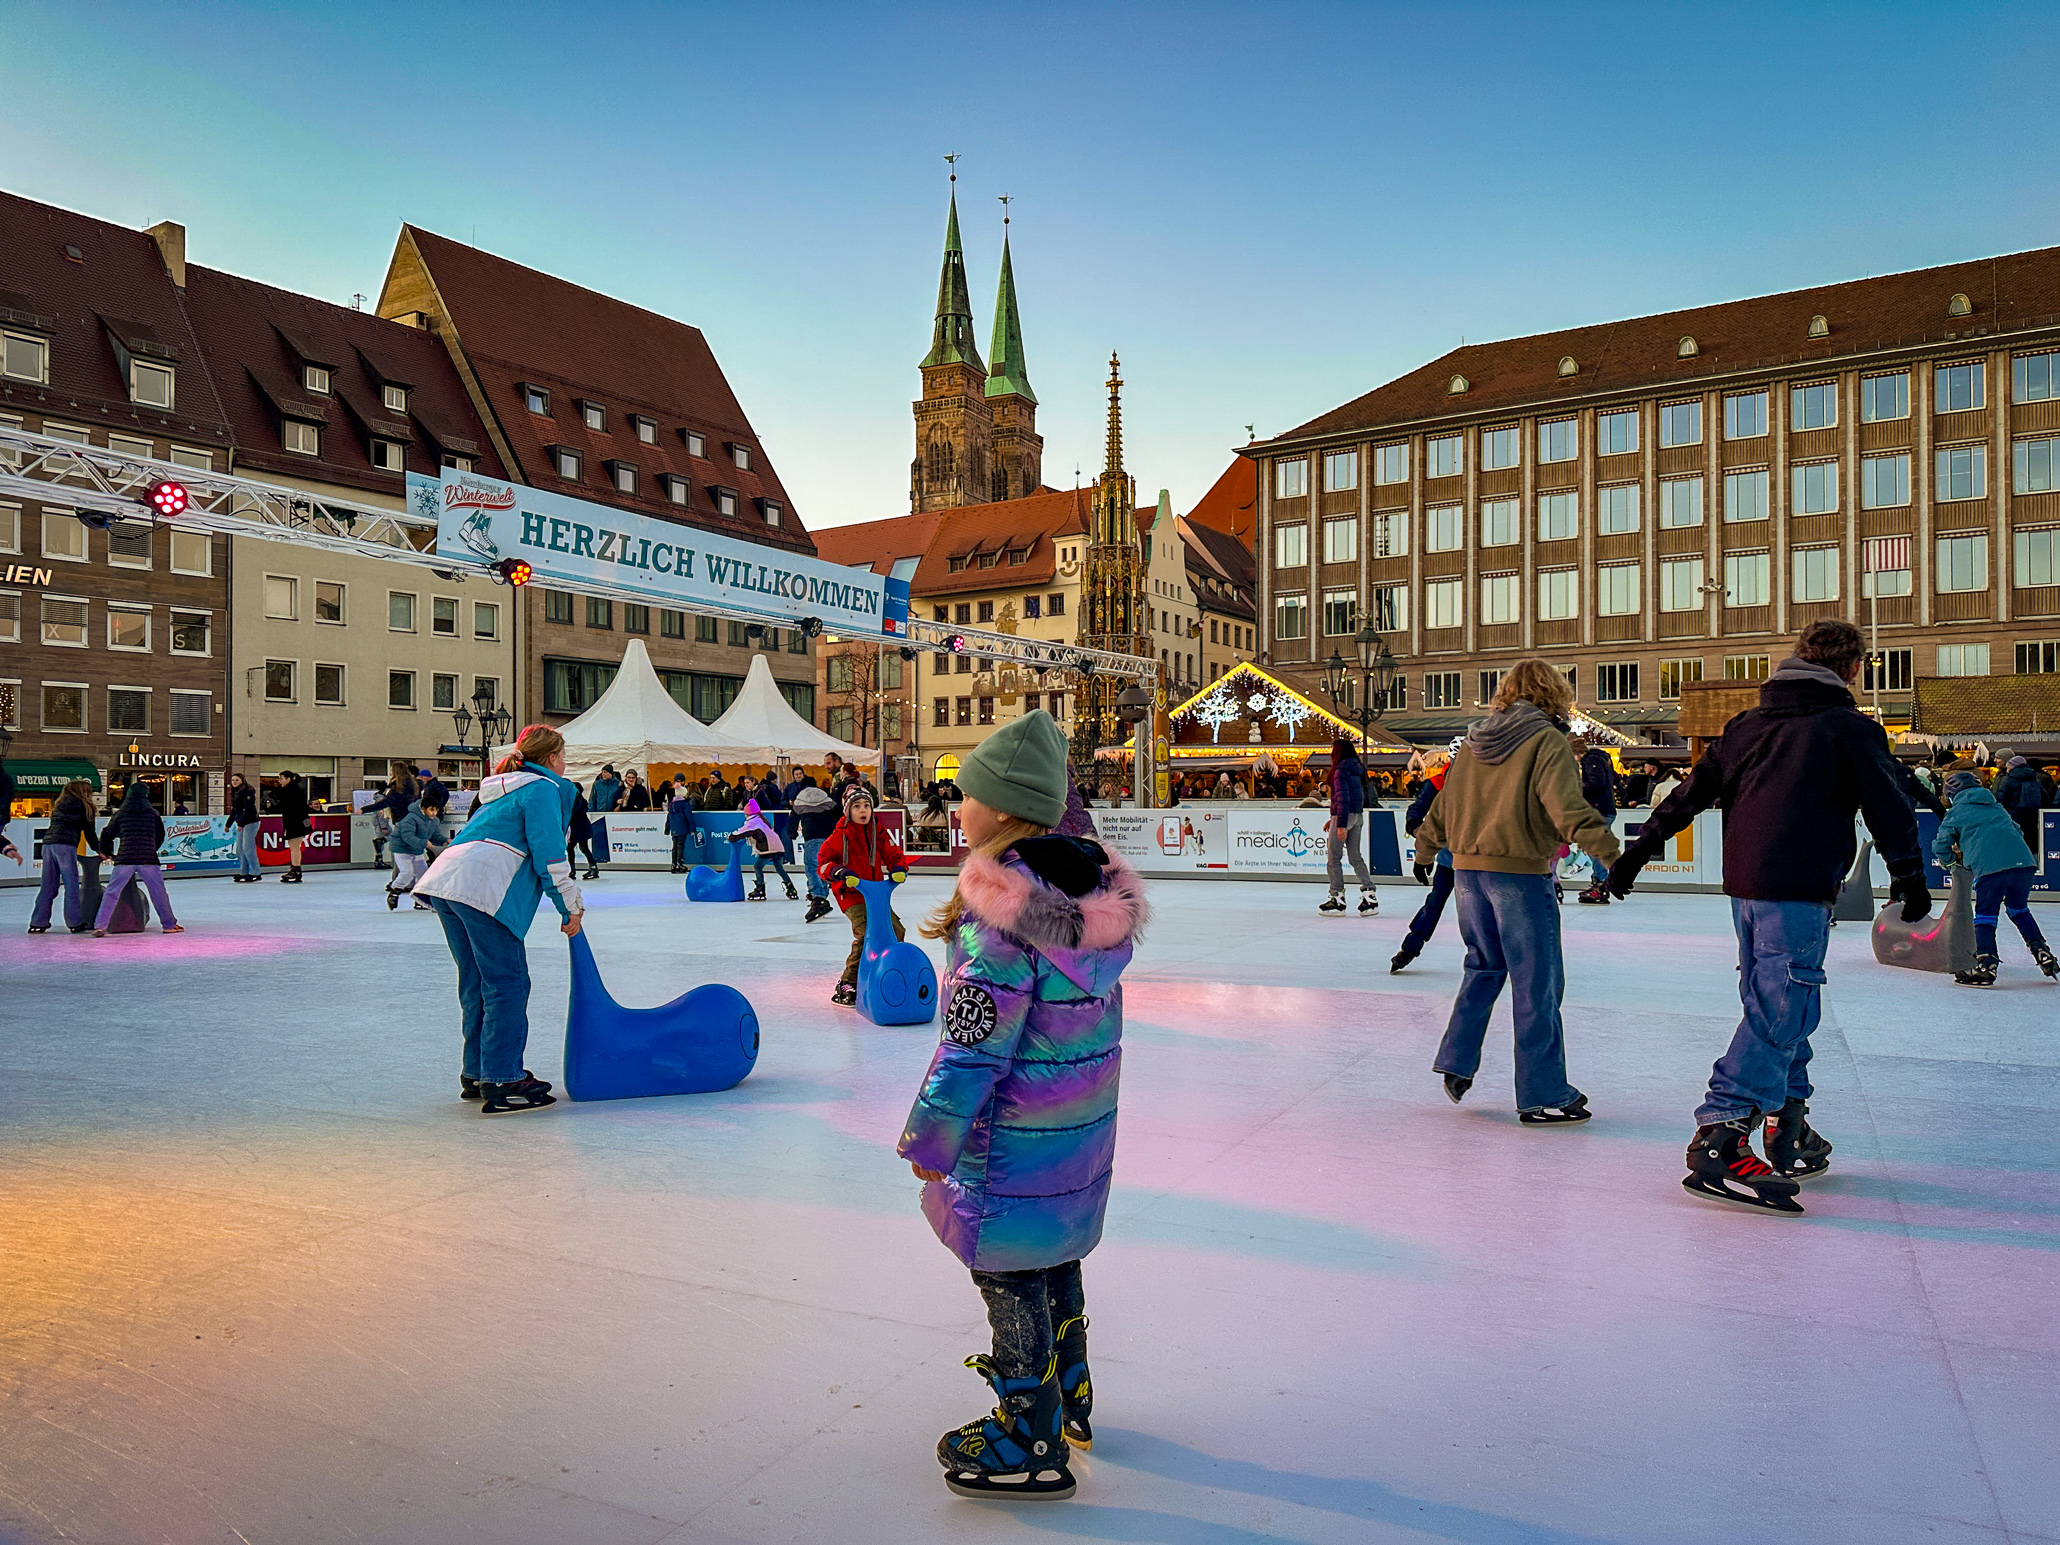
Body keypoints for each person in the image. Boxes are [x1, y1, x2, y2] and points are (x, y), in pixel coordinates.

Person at [898, 709, 1149, 1501]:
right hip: (1074, 1135)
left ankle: (1026, 1430)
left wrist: (929, 1141)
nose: (955, 806)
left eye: (964, 793)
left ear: (1002, 808)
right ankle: (1070, 1386)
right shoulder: (1087, 901)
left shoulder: (1000, 915)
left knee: (1007, 1272)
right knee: (1055, 1252)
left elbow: (972, 1043)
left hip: (1008, 1138)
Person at [1608, 620, 1927, 1211]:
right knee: (1784, 1003)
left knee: (1778, 998)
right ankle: (1723, 1132)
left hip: (1748, 887)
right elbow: (1889, 807)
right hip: (1797, 886)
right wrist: (1910, 875)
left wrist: (1635, 855)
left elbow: (1688, 795)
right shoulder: (1848, 728)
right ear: (1852, 669)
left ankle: (1788, 1123)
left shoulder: (1747, 725)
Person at [1417, 660, 1618, 1124]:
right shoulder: (1546, 741)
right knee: (1536, 982)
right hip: (1520, 876)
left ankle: (1455, 1061)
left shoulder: (1473, 743)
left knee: (1483, 967)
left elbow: (1442, 808)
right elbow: (1568, 810)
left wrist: (1426, 852)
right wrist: (1613, 856)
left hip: (1468, 875)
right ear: (1554, 695)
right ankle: (1543, 1092)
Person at [414, 724, 583, 1115]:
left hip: (447, 881)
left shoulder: (500, 789)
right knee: (507, 984)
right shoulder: (542, 789)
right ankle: (503, 1077)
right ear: (554, 758)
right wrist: (569, 905)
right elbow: (550, 855)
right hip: (482, 889)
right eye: (564, 755)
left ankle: (477, 1072)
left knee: (476, 982)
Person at [1933, 765, 2057, 986]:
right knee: (2019, 910)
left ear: (1951, 796)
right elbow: (2017, 830)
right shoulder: (1996, 806)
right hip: (2024, 864)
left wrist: (1950, 863)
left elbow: (1941, 843)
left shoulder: (1957, 812)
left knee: (1985, 916)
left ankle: (1986, 965)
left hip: (1991, 869)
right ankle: (2042, 951)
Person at [817, 784, 908, 1006]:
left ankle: (884, 971)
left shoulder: (878, 831)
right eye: (857, 806)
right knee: (867, 933)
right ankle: (847, 982)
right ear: (848, 810)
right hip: (851, 893)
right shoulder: (840, 835)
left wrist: (898, 868)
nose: (863, 810)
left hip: (876, 893)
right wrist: (839, 872)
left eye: (866, 805)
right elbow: (823, 863)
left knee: (896, 930)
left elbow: (893, 853)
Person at [91, 781, 182, 936]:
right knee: (158, 892)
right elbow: (160, 835)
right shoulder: (153, 813)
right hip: (148, 858)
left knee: (112, 892)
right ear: (146, 795)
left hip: (125, 857)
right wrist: (151, 849)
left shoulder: (120, 813)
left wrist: (106, 852)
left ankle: (100, 926)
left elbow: (107, 833)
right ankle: (168, 924)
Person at [1391, 752, 1454, 972]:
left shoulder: (1480, 782)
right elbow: (1418, 815)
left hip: (1472, 861)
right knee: (1436, 901)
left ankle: (1410, 947)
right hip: (1456, 860)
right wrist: (1421, 837)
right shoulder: (1438, 783)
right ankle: (1410, 947)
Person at [27, 779, 97, 932]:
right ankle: (74, 922)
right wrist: (99, 849)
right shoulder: (85, 806)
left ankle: (38, 922)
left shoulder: (59, 805)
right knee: (71, 884)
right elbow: (89, 833)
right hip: (65, 845)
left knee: (48, 885)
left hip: (48, 844)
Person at [1320, 736, 1377, 916]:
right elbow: (1353, 798)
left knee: (1333, 858)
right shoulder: (1357, 769)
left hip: (1345, 817)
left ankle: (1337, 898)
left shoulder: (1340, 771)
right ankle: (1370, 895)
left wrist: (1340, 823)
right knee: (1355, 856)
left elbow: (1343, 798)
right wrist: (1335, 819)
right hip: (1357, 816)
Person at [384, 789, 450, 911]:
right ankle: (394, 891)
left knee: (424, 875)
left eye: (436, 810)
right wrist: (424, 843)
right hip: (402, 849)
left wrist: (445, 840)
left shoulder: (434, 821)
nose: (434, 813)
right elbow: (407, 836)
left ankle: (421, 900)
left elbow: (435, 836)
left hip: (417, 850)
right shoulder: (411, 818)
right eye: (431, 809)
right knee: (406, 872)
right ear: (423, 808)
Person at [1571, 737, 1619, 904]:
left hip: (1600, 811)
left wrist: (1577, 790)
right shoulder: (1597, 759)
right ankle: (1599, 881)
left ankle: (1601, 884)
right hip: (1602, 810)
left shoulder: (1592, 760)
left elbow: (1597, 782)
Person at [730, 796, 798, 902]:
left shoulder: (753, 822)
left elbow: (742, 832)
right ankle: (791, 888)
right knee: (779, 868)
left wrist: (731, 837)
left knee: (757, 866)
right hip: (778, 847)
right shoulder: (761, 820)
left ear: (748, 813)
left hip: (769, 848)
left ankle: (760, 888)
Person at [792, 777, 841, 922]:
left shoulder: (800, 799)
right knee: (825, 866)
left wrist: (791, 833)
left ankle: (818, 898)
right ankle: (822, 895)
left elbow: (793, 818)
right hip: (829, 836)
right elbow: (839, 815)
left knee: (812, 867)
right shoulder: (827, 799)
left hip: (812, 837)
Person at [1991, 753, 2045, 856]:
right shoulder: (2034, 779)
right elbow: (2045, 799)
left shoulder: (2007, 780)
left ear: (2011, 767)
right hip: (2032, 819)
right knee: (2030, 846)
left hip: (2012, 817)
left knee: (2013, 846)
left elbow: (2001, 799)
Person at [273, 770, 311, 883]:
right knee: (293, 846)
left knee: (294, 846)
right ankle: (294, 869)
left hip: (295, 822)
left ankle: (296, 869)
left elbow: (287, 806)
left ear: (288, 779)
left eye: (281, 779)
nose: (279, 781)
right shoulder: (294, 790)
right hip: (294, 821)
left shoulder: (291, 791)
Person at [227, 772, 262, 882]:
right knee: (240, 849)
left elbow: (248, 809)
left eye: (237, 780)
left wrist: (241, 823)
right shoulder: (236, 792)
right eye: (233, 780)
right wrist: (228, 824)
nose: (234, 782)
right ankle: (244, 872)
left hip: (251, 822)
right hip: (242, 822)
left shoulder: (247, 792)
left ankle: (255, 872)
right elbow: (235, 810)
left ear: (242, 780)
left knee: (248, 848)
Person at [665, 781, 699, 873]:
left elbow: (669, 817)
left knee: (675, 845)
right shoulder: (685, 804)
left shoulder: (672, 804)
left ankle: (673, 863)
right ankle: (679, 863)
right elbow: (689, 816)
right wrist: (692, 828)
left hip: (674, 828)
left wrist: (667, 828)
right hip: (682, 827)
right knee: (680, 845)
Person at [567, 784, 598, 881]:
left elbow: (572, 813)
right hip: (579, 827)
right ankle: (590, 868)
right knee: (576, 848)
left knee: (579, 847)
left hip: (580, 828)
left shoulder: (578, 800)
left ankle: (574, 870)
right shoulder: (577, 800)